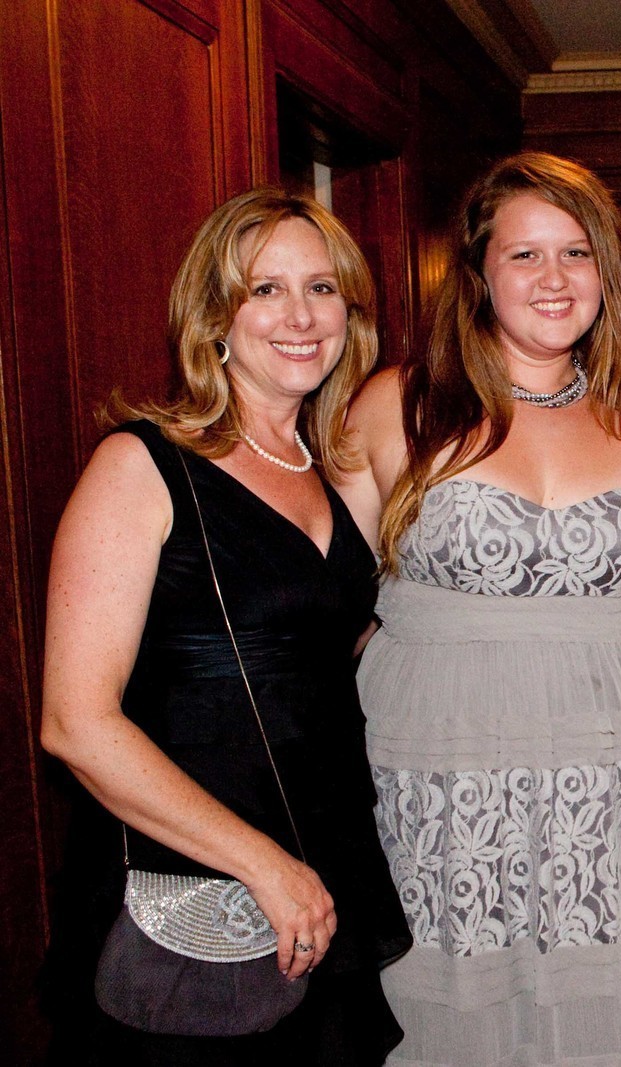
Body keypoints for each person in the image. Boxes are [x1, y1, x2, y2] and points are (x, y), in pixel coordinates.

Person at [39, 187, 410, 1064]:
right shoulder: (141, 465)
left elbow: (327, 657)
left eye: (321, 288)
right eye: (265, 289)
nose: (299, 315)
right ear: (214, 316)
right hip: (198, 880)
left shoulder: (335, 471)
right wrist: (262, 864)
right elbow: (76, 723)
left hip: (327, 863)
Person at [339, 151, 621, 1066]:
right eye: (525, 254)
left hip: (601, 788)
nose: (553, 278)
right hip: (435, 783)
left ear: (605, 274)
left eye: (576, 253)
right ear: (478, 271)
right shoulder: (394, 406)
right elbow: (312, 604)